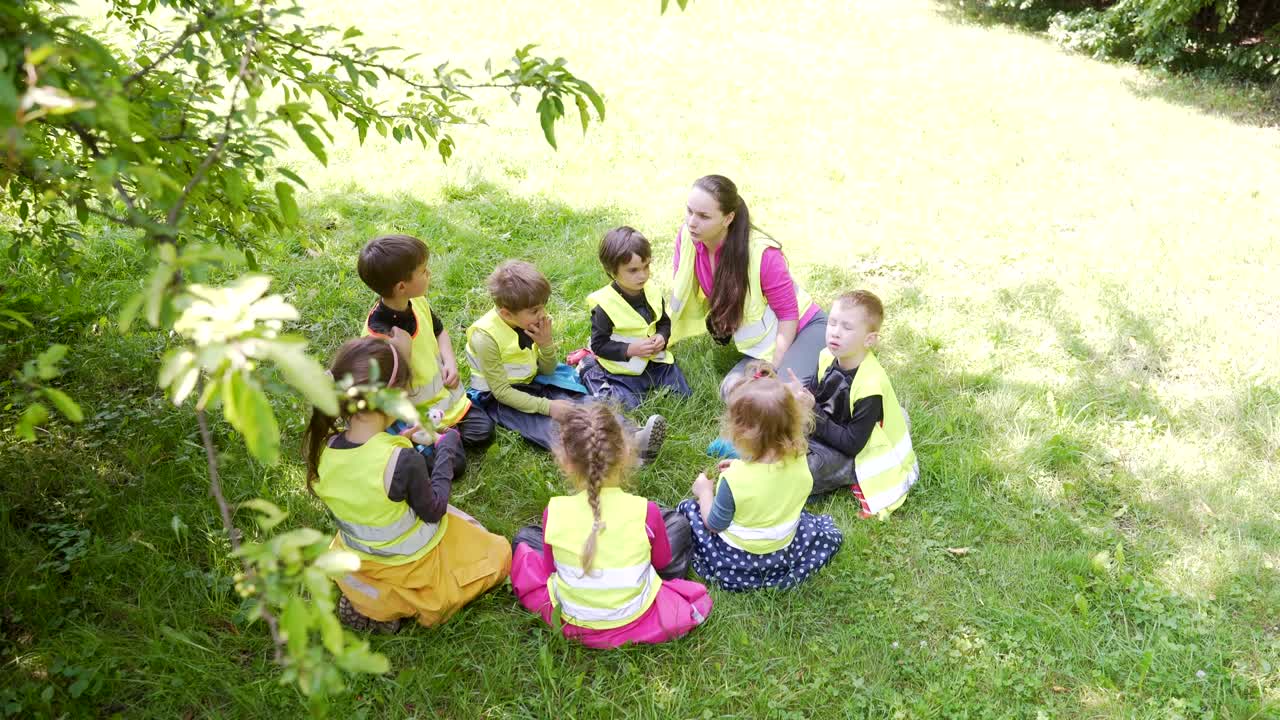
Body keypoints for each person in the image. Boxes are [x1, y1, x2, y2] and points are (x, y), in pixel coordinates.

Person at [303, 337, 510, 632]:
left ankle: (372, 602)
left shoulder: (326, 447)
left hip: (361, 553)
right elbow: (434, 510)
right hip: (409, 558)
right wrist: (446, 451)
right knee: (496, 553)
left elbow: (367, 474)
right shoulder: (402, 460)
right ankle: (395, 604)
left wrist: (404, 441)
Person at [509, 403, 711, 648]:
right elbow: (660, 562)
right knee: (676, 524)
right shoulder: (645, 511)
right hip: (635, 615)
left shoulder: (554, 511)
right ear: (626, 452)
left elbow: (550, 569)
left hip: (573, 619)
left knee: (527, 537)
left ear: (565, 462)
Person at [465, 260, 666, 459]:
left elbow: (547, 370)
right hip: (501, 398)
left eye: (543, 307)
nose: (542, 314)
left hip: (535, 381)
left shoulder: (528, 318)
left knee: (584, 402)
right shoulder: (485, 338)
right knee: (550, 426)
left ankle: (635, 436)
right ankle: (614, 455)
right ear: (506, 313)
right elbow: (502, 392)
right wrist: (549, 407)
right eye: (535, 311)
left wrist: (545, 345)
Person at [677, 362, 842, 591]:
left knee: (690, 509)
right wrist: (739, 465)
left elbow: (714, 524)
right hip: (783, 547)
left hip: (739, 556)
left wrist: (704, 492)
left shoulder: (733, 480)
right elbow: (767, 482)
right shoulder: (800, 461)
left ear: (740, 434)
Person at [668, 174, 827, 397]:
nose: (692, 222)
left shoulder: (763, 254)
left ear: (728, 218)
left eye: (704, 216)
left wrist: (773, 367)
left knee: (778, 398)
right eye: (689, 211)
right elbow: (683, 291)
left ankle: (824, 379)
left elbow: (788, 316)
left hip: (803, 328)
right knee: (731, 391)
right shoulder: (688, 239)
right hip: (767, 342)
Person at [357, 233, 493, 447]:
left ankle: (444, 437)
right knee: (453, 461)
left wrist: (450, 362)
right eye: (422, 271)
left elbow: (439, 332)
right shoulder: (379, 338)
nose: (428, 273)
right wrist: (403, 355)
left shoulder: (417, 302)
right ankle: (435, 440)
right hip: (415, 415)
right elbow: (388, 398)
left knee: (483, 432)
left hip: (446, 401)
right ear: (402, 287)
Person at [803, 290, 919, 517]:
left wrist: (812, 411)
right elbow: (817, 392)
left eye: (847, 327)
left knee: (808, 469)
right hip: (827, 426)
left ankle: (843, 477)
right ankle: (749, 450)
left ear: (869, 339)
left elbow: (852, 444)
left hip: (852, 448)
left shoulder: (870, 385)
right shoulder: (826, 355)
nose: (835, 332)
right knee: (774, 419)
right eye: (833, 322)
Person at [577, 226, 692, 410]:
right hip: (622, 369)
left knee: (683, 395)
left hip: (655, 362)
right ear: (612, 271)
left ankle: (653, 382)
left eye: (646, 266)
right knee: (629, 406)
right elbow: (599, 345)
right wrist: (630, 349)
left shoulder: (652, 291)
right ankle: (590, 369)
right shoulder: (604, 305)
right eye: (633, 270)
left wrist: (662, 337)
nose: (643, 275)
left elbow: (664, 322)